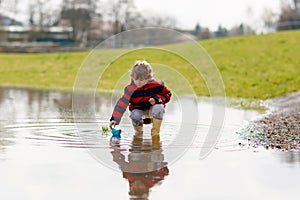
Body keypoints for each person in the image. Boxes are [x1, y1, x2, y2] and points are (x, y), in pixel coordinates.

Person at [109, 60, 172, 147]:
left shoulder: (157, 85)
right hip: (138, 112)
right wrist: (114, 119)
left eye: (142, 80)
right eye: (136, 79)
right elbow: (121, 104)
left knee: (159, 107)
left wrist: (157, 99)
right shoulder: (130, 90)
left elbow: (168, 94)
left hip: (152, 111)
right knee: (134, 115)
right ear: (132, 77)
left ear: (149, 78)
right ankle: (138, 134)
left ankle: (155, 133)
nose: (138, 82)